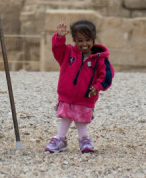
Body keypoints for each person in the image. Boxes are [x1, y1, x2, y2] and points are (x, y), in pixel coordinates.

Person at [45, 20, 112, 154]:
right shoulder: (68, 53)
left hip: (86, 97)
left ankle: (84, 139)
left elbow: (106, 76)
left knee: (81, 118)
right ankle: (60, 139)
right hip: (67, 95)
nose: (84, 44)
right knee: (66, 117)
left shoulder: (99, 58)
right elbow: (57, 50)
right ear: (74, 40)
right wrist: (59, 37)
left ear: (93, 39)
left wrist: (97, 87)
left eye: (87, 40)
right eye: (80, 40)